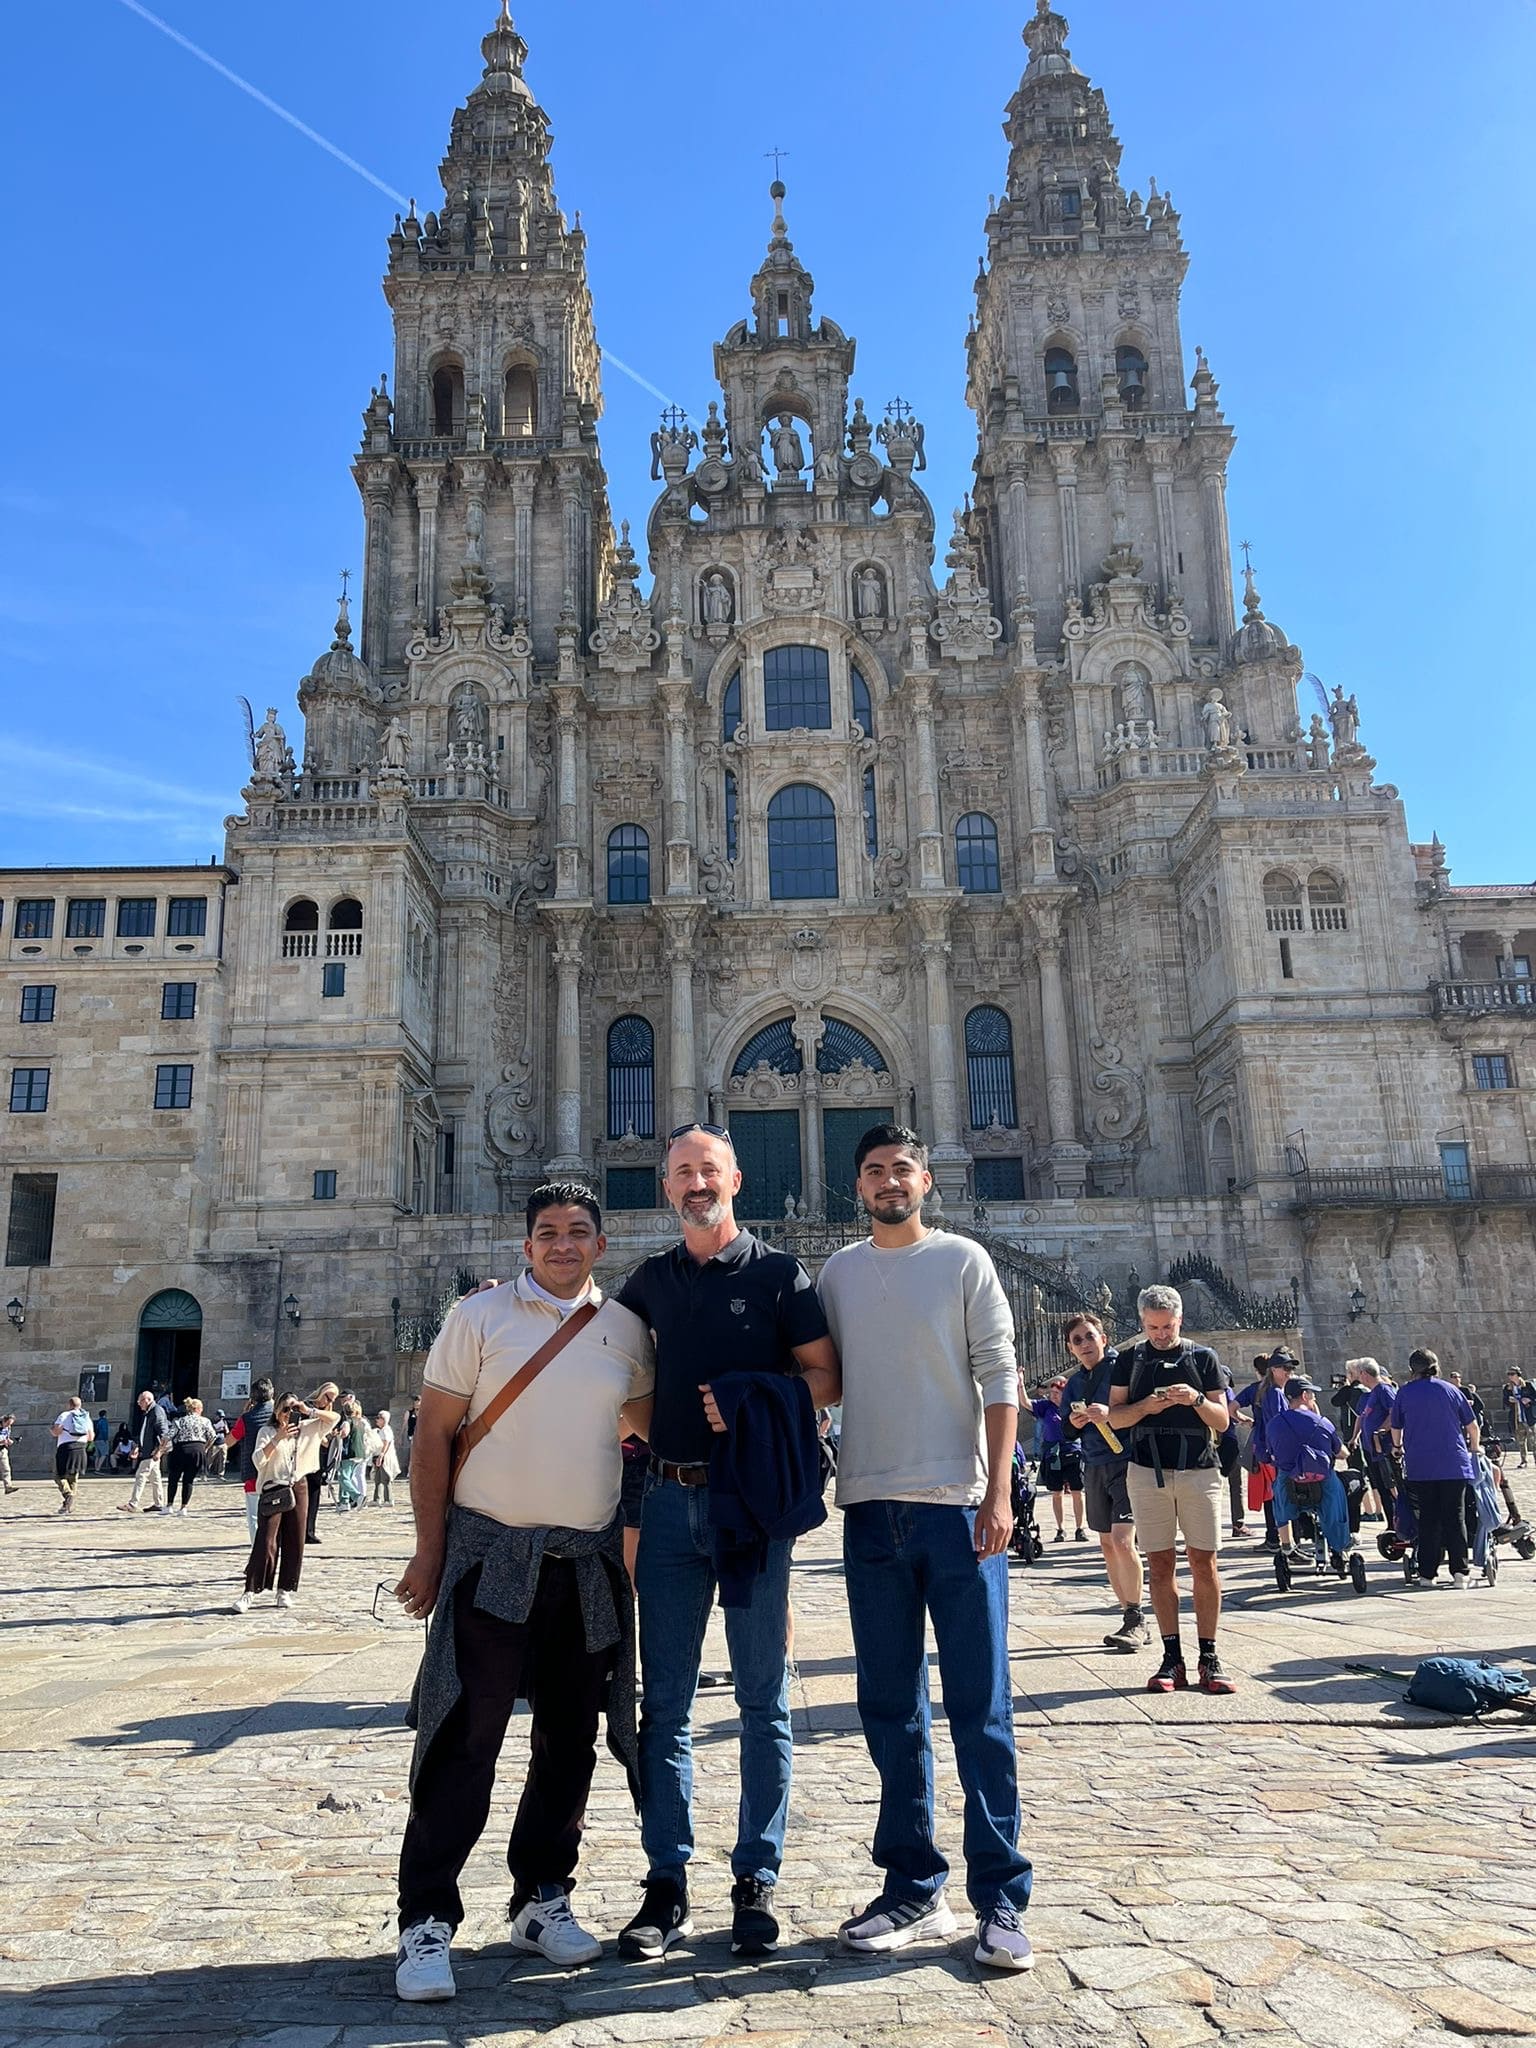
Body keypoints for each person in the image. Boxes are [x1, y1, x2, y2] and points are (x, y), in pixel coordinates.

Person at [392, 1182, 654, 2001]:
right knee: (465, 1736)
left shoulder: (626, 1330)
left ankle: (542, 1897)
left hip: (584, 1564)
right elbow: (434, 1433)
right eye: (548, 1233)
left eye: (579, 1231)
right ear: (526, 1245)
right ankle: (425, 1917)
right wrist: (429, 1552)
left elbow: (646, 1435)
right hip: (490, 1559)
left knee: (569, 1744)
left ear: (601, 1245)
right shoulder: (477, 1319)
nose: (563, 1244)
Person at [613, 1123, 838, 1963]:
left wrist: (754, 1398)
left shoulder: (781, 1275)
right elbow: (609, 1371)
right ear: (667, 1186)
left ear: (734, 1178)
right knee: (663, 1706)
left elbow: (827, 1377)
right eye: (681, 1172)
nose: (694, 1183)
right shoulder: (649, 1282)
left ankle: (756, 1876)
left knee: (762, 1700)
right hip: (669, 1506)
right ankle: (665, 1884)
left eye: (707, 1169)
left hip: (750, 1510)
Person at [818, 1125, 1033, 1971]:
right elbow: (819, 1374)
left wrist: (998, 1492)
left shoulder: (964, 1260)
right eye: (873, 1171)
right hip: (871, 1508)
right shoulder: (835, 1273)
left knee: (981, 1706)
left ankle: (1003, 1898)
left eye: (900, 1169)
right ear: (859, 1184)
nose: (887, 1181)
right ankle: (913, 1883)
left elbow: (1002, 1374)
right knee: (888, 1707)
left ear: (926, 1180)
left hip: (957, 1510)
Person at [1108, 1285, 1235, 1695]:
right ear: (1142, 1322)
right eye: (1152, 1327)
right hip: (1148, 1471)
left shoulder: (1202, 1358)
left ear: (1179, 1320)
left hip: (1198, 1469)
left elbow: (1222, 1420)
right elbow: (1116, 1418)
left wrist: (1195, 1398)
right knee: (1160, 1564)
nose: (1160, 1334)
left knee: (1204, 1562)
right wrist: (1147, 1407)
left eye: (1167, 1326)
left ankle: (1209, 1655)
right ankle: (1171, 1656)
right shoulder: (1130, 1359)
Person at [1060, 1310, 1148, 1651]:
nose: (1084, 1344)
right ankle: (1128, 1612)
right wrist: (1077, 1421)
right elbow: (1066, 1430)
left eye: (1089, 1336)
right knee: (1108, 1544)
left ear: (1104, 1339)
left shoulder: (1121, 1368)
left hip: (1126, 1461)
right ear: (1071, 1348)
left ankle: (1137, 1618)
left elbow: (1139, 1407)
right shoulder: (1075, 1382)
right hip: (1095, 1463)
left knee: (1125, 1540)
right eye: (1077, 1340)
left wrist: (1110, 1414)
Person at [233, 1393, 332, 1613]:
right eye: (286, 1409)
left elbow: (333, 1419)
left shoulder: (307, 1429)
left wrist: (309, 1411)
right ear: (277, 1410)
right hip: (273, 1487)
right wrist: (277, 1438)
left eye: (293, 1409)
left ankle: (285, 1589)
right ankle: (250, 1591)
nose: (290, 1414)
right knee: (266, 1540)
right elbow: (258, 1460)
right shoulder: (266, 1432)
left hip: (299, 1486)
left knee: (295, 1540)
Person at [1390, 1348, 1480, 1588]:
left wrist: (1397, 1448)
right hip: (1454, 1464)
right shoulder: (1451, 1390)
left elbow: (1396, 1428)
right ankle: (1460, 1572)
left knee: (1428, 1519)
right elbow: (1472, 1426)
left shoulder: (1405, 1393)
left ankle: (1427, 1574)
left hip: (1422, 1466)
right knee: (1455, 1517)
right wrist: (1474, 1448)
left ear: (1412, 1370)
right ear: (1436, 1367)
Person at [1266, 1377, 1352, 1563]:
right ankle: (1340, 1546)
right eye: (1312, 1395)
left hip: (1290, 1482)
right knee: (1337, 1497)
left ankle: (1287, 1544)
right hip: (1321, 1481)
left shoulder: (1274, 1424)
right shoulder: (1322, 1422)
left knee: (1279, 1496)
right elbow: (1341, 1453)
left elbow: (1272, 1456)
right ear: (1305, 1395)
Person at [1031, 1378, 1086, 1542]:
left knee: (1077, 1491)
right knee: (1057, 1493)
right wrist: (1019, 1385)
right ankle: (1060, 1529)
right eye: (1051, 1393)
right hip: (1053, 1454)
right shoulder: (1046, 1406)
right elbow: (1026, 1403)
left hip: (1073, 1452)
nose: (1052, 1396)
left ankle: (1079, 1527)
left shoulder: (1074, 1406)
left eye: (1056, 1393)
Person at [225, 1380, 276, 1542]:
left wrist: (243, 1415)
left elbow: (229, 1441)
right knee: (277, 1511)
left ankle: (257, 1546)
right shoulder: (280, 1414)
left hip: (253, 1471)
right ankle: (274, 1543)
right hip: (277, 1471)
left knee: (254, 1515)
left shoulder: (246, 1419)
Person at [116, 1390, 171, 1514]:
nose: (138, 1403)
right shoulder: (149, 1412)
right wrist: (138, 1447)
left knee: (140, 1475)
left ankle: (133, 1503)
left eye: (140, 1401)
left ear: (147, 1400)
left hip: (152, 1452)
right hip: (148, 1451)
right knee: (155, 1478)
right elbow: (145, 1434)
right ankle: (158, 1503)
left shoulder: (157, 1411)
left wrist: (159, 1451)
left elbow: (163, 1433)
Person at [165, 1397, 216, 1514]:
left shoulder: (180, 1421)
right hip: (197, 1450)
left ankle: (169, 1505)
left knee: (173, 1478)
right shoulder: (205, 1421)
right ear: (198, 1409)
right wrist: (206, 1447)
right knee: (188, 1480)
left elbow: (169, 1435)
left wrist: (162, 1448)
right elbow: (213, 1436)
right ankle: (183, 1507)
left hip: (180, 1450)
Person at [305, 1384, 342, 1543]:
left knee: (314, 1495)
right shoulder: (306, 1406)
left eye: (332, 1399)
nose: (328, 1401)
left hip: (318, 1458)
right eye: (327, 1397)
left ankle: (309, 1531)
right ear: (321, 1392)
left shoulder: (328, 1413)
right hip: (303, 1455)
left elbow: (326, 1438)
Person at [51, 1395, 94, 1513]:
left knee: (59, 1476)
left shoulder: (64, 1415)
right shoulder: (86, 1417)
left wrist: (53, 1430)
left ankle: (68, 1494)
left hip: (66, 1448)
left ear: (69, 1405)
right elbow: (91, 1437)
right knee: (73, 1478)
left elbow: (56, 1432)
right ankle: (67, 1506)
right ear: (80, 1405)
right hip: (81, 1449)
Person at [337, 1399, 369, 1511]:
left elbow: (344, 1433)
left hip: (349, 1452)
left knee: (343, 1477)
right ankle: (344, 1502)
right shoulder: (360, 1422)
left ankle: (357, 1496)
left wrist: (336, 1434)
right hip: (360, 1453)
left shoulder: (347, 1422)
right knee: (348, 1477)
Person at [1502, 1372, 1536, 1468]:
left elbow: (1535, 1398)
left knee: (1534, 1441)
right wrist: (1510, 1401)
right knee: (1521, 1441)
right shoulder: (1508, 1388)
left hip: (1529, 1418)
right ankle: (1523, 1461)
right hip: (1517, 1418)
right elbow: (1504, 1402)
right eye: (1509, 1374)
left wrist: (1529, 1400)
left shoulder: (1528, 1385)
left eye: (1512, 1374)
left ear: (1518, 1375)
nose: (1510, 1376)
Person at [370, 1410, 401, 1505]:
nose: (377, 1420)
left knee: (385, 1478)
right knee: (378, 1478)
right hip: (379, 1456)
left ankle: (389, 1499)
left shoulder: (386, 1430)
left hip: (385, 1457)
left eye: (379, 1418)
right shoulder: (381, 1430)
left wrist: (381, 1455)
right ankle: (377, 1498)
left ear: (384, 1420)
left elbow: (385, 1443)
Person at [0, 1413, 17, 1494]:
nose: (8, 1426)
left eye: (10, 1424)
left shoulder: (8, 1428)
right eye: (7, 1423)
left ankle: (8, 1487)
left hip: (2, 1449)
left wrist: (8, 1441)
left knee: (6, 1468)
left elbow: (6, 1436)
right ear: (3, 1420)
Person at [92, 1409, 111, 1474]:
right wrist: (106, 1439)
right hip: (102, 1439)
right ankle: (98, 1469)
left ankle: (96, 1468)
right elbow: (104, 1431)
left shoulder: (97, 1421)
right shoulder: (104, 1421)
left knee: (97, 1455)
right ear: (105, 1414)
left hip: (96, 1439)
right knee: (104, 1454)